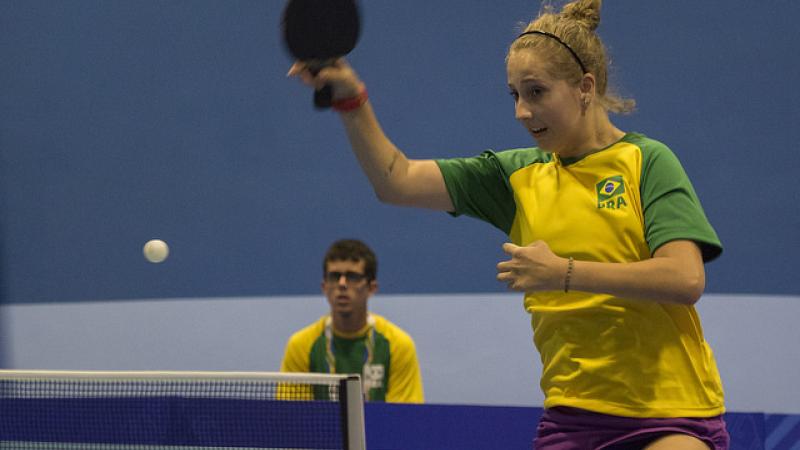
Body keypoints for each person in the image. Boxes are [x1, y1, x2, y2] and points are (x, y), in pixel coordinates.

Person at [288, 0, 729, 447]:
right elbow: (396, 181)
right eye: (515, 95)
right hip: (573, 417)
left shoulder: (647, 161)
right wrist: (350, 98)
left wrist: (564, 274)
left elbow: (685, 277)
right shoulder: (514, 176)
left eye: (536, 92)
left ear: (585, 87)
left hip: (672, 413)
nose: (521, 111)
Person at [280, 239, 424, 403]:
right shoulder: (301, 345)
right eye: (334, 277)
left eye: (352, 277)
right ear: (324, 286)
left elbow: (404, 418)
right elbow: (293, 417)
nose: (342, 284)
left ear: (371, 288)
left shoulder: (398, 345)